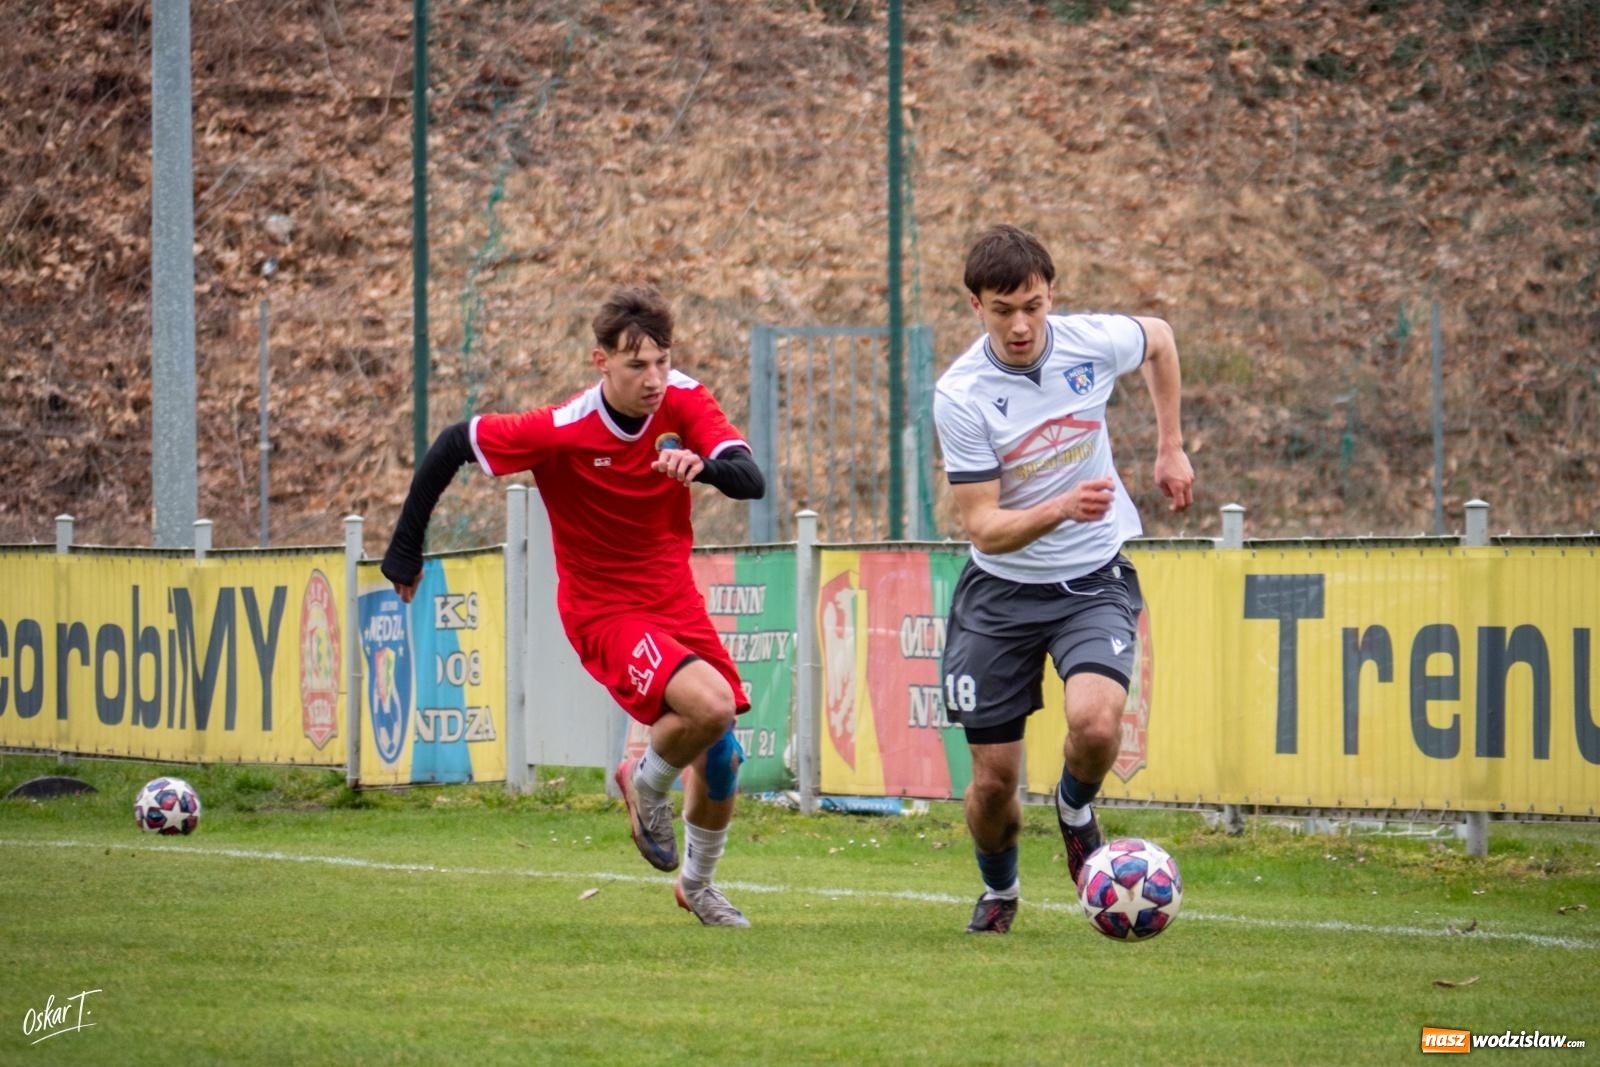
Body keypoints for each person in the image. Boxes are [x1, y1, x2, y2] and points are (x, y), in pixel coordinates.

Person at [381, 284, 766, 927]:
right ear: (601, 362)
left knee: (723, 752)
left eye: (662, 362)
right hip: (602, 610)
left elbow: (749, 479)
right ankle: (644, 783)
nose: (653, 379)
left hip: (673, 598)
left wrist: (701, 466)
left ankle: (696, 886)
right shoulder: (561, 431)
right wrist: (404, 550)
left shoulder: (685, 399)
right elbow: (454, 442)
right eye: (636, 364)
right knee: (713, 705)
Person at [932, 225, 1194, 934]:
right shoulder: (961, 394)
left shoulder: (1089, 341)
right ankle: (1000, 888)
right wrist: (1060, 507)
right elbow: (984, 525)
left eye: (1033, 305)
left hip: (1092, 577)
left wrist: (1170, 446)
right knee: (992, 785)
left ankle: (1076, 808)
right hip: (1001, 593)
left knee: (1096, 719)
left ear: (1052, 296)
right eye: (1002, 309)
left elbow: (1161, 339)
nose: (1021, 325)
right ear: (975, 307)